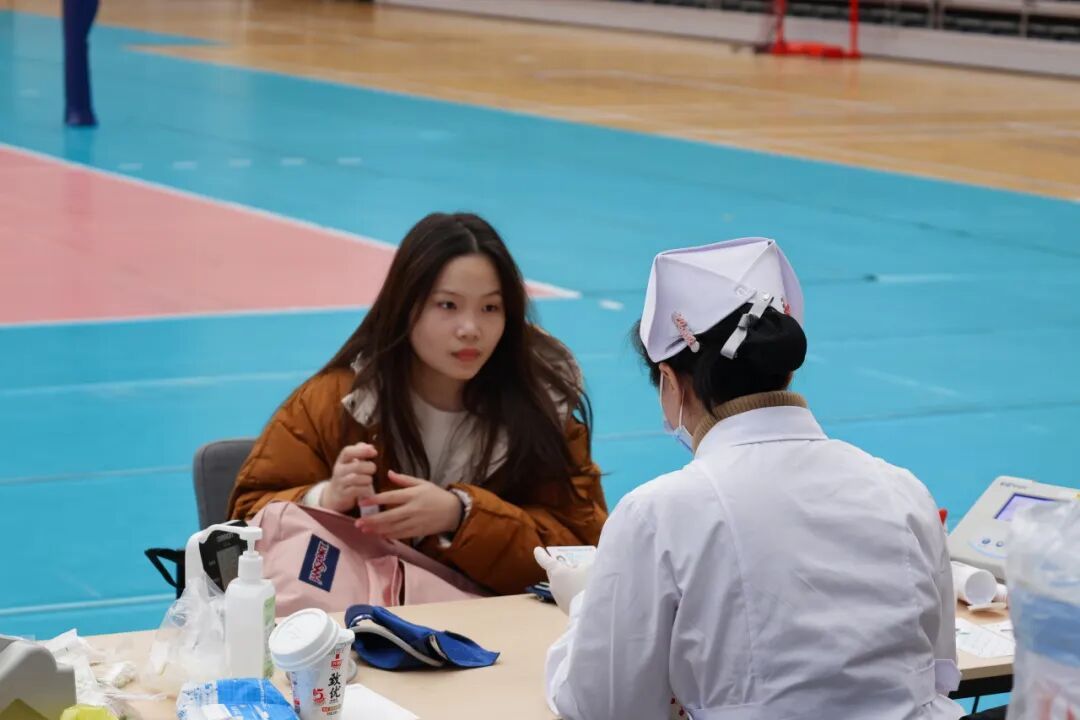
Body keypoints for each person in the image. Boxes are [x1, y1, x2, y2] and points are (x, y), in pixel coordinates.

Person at [537, 237, 963, 720]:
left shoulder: (658, 513)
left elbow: (603, 705)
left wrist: (585, 606)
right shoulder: (901, 489)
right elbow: (939, 671)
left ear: (671, 383)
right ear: (784, 373)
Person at [228, 212, 607, 595]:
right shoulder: (336, 402)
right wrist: (325, 498)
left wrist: (462, 515)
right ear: (405, 305)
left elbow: (583, 548)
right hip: (355, 627)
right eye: (448, 305)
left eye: (490, 308)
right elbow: (245, 524)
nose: (470, 329)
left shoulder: (542, 408)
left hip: (487, 628)